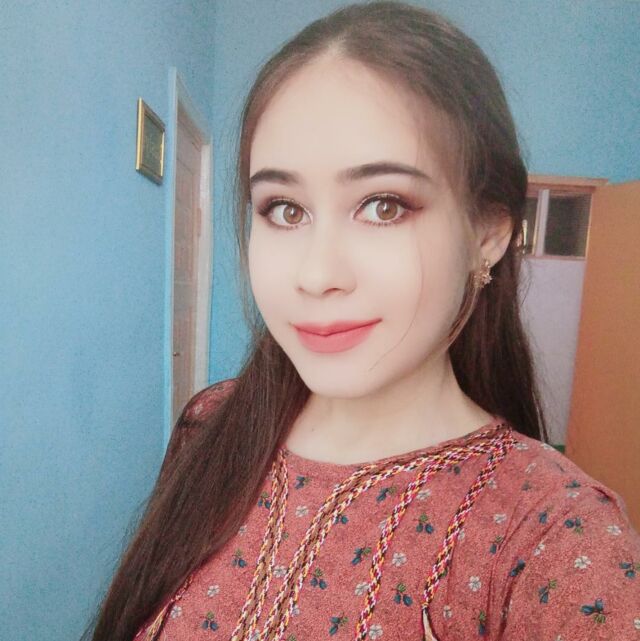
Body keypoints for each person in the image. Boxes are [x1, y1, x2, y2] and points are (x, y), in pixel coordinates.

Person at [86, 2, 640, 640]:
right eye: (285, 209)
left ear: (488, 232)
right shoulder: (211, 424)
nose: (316, 274)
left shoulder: (556, 538)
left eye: (383, 205)